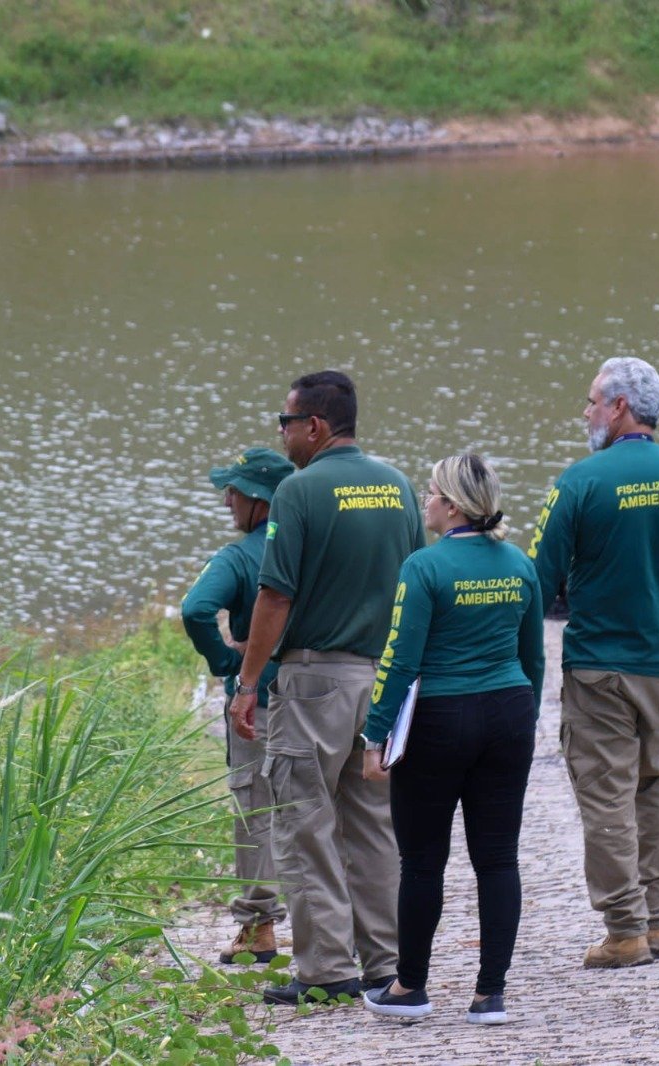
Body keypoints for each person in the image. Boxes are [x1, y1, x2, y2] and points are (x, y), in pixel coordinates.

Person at [529, 356, 659, 969]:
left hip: (599, 668)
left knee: (606, 795)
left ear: (619, 407)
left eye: (592, 401)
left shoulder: (579, 482)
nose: (586, 412)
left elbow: (537, 578)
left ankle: (625, 931)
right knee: (657, 787)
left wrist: (510, 656)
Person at [228, 370, 425, 1007]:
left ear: (315, 425)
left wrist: (249, 681)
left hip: (314, 681)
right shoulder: (397, 486)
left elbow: (275, 593)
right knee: (373, 826)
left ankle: (323, 968)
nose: (282, 435)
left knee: (304, 822)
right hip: (380, 678)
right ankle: (384, 961)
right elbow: (418, 579)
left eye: (286, 423)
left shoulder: (300, 490)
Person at [359, 454, 545, 1026]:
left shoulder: (424, 567)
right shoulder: (519, 564)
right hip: (508, 712)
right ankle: (491, 995)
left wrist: (375, 736)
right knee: (497, 859)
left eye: (432, 492)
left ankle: (409, 988)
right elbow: (532, 657)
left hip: (440, 718)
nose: (426, 500)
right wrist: (522, 721)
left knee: (421, 862)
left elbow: (399, 659)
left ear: (455, 507)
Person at [180, 447, 293, 967]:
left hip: (260, 702)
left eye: (233, 491)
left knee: (256, 810)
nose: (227, 500)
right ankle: (348, 929)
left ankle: (259, 927)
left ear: (256, 500)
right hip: (321, 695)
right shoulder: (310, 544)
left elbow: (196, 608)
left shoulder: (240, 556)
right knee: (325, 811)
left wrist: (225, 661)